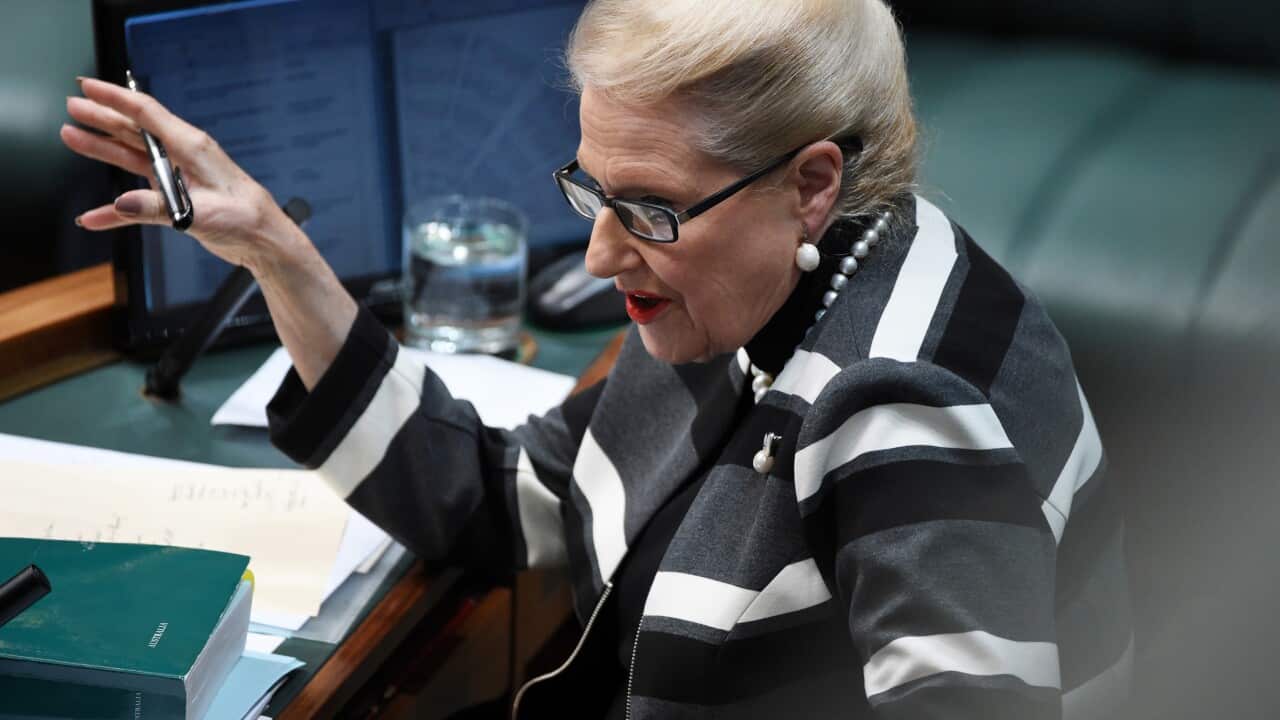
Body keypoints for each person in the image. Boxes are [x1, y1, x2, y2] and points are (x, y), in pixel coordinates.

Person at [61, 1, 1131, 717]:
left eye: (649, 208)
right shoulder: (777, 277)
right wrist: (275, 252)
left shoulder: (905, 407)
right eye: (591, 189)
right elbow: (503, 497)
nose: (600, 253)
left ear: (810, 182)